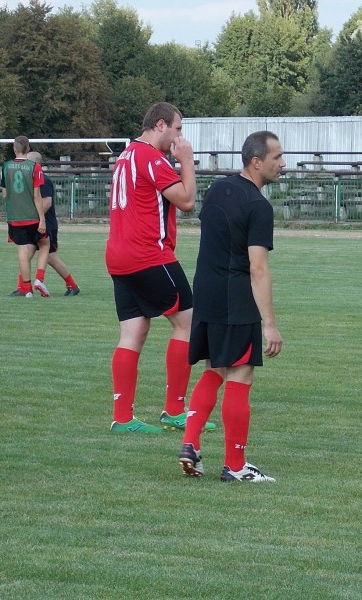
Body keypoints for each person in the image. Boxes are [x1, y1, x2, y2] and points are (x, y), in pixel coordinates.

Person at [178, 130, 285, 483]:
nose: (283, 164)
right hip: (235, 296)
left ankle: (190, 443)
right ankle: (235, 466)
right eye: (276, 158)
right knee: (241, 374)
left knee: (214, 369)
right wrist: (269, 324)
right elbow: (258, 268)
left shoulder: (217, 189)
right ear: (256, 161)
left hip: (205, 291)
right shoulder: (258, 206)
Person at [106, 101, 215, 434]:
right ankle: (174, 410)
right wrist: (187, 162)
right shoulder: (151, 157)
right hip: (148, 255)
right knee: (188, 323)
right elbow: (187, 201)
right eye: (178, 129)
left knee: (133, 332)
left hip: (119, 255)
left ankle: (122, 418)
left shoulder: (126, 155)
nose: (180, 136)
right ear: (160, 126)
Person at [0, 135, 50, 298]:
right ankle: (39, 279)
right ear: (28, 149)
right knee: (45, 244)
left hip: (15, 216)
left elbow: (5, 194)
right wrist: (42, 219)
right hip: (32, 216)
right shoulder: (34, 167)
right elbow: (37, 196)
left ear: (14, 148)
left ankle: (26, 289)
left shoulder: (5, 167)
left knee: (22, 250)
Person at [27, 152, 80, 296]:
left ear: (35, 165)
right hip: (34, 224)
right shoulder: (31, 179)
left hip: (47, 225)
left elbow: (47, 202)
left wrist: (32, 217)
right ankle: (23, 288)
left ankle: (72, 286)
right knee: (25, 254)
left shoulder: (43, 179)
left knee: (50, 257)